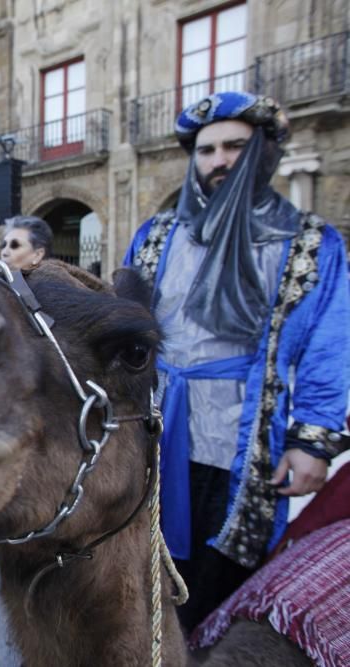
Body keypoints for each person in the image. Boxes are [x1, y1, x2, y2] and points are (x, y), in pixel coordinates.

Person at [123, 92, 350, 632]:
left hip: (240, 444)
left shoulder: (311, 243)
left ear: (263, 153)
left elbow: (329, 346)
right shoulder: (157, 236)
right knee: (133, 571)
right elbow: (122, 328)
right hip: (153, 431)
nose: (218, 160)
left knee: (214, 586)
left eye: (234, 147)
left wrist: (310, 440)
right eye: (205, 150)